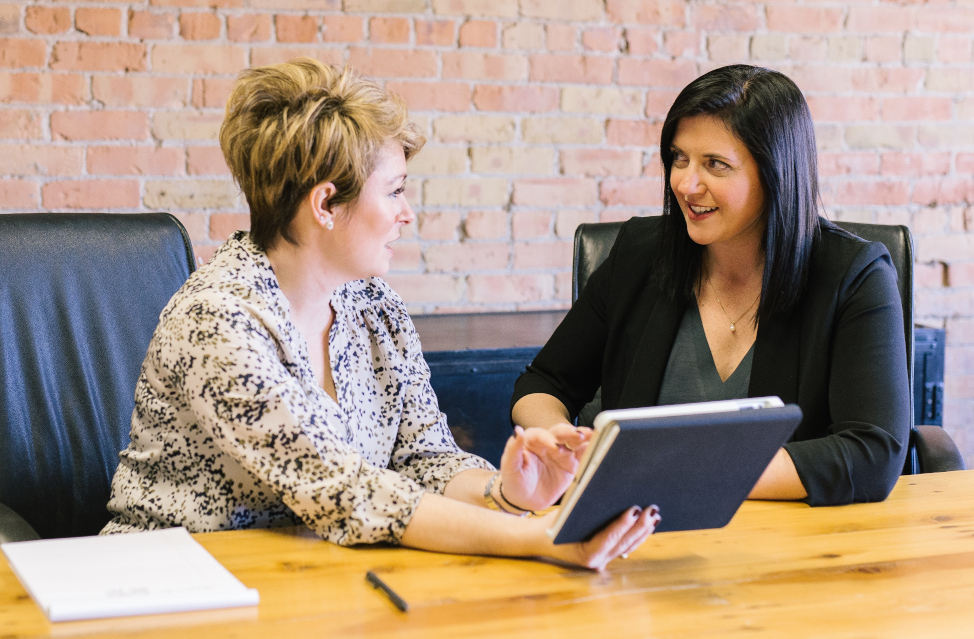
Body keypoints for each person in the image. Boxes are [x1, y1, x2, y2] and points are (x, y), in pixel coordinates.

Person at [101, 58, 658, 570]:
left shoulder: (373, 305)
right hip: (171, 583)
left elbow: (425, 457)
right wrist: (541, 538)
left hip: (315, 576)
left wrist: (507, 494)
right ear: (325, 205)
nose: (407, 214)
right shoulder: (218, 320)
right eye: (394, 191)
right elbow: (345, 491)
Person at [511, 64, 910, 507]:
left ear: (775, 172)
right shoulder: (640, 254)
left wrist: (677, 473)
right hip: (635, 536)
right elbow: (543, 383)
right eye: (679, 158)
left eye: (715, 165)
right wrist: (557, 441)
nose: (686, 183)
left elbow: (872, 452)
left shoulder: (854, 275)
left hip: (788, 543)